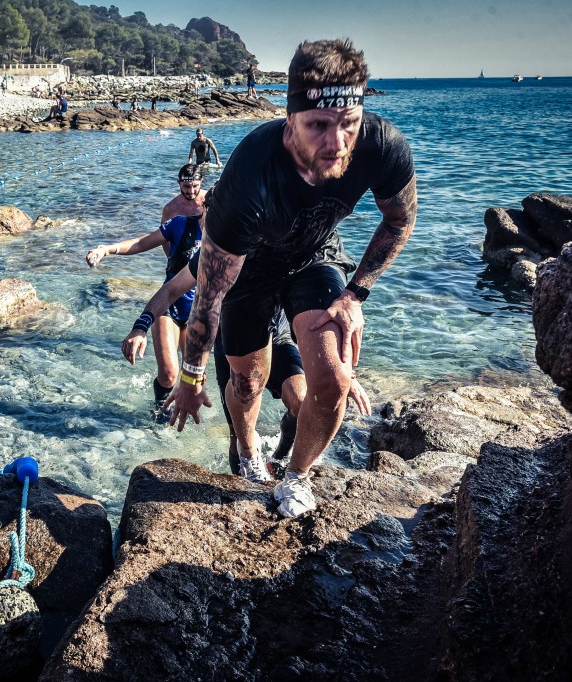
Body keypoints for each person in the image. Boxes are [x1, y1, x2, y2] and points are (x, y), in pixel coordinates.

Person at [165, 38, 417, 518]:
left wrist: (357, 292)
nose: (336, 142)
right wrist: (192, 376)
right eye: (318, 125)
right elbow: (209, 296)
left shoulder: (381, 146)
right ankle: (246, 450)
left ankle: (297, 477)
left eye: (348, 124)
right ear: (290, 118)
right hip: (250, 271)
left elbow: (400, 219)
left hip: (313, 256)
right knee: (247, 383)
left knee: (334, 378)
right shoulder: (248, 180)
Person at [122, 249, 371, 477]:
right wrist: (140, 327)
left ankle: (281, 458)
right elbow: (171, 290)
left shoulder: (307, 243)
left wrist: (345, 374)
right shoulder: (223, 245)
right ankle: (246, 477)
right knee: (239, 433)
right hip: (234, 344)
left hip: (280, 338)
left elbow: (326, 321)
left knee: (302, 400)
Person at [86, 186, 204, 417]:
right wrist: (107, 249)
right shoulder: (180, 223)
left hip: (198, 313)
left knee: (194, 382)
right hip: (169, 306)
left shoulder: (228, 240)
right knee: (169, 373)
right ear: (205, 207)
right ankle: (159, 411)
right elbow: (142, 243)